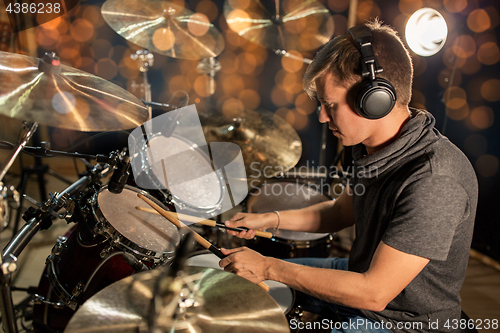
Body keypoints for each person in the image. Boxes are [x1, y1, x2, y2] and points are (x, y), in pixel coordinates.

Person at [219, 19, 478, 333]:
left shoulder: (435, 181)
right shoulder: (369, 145)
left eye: (330, 105)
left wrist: (268, 266)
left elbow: (374, 293)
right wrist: (269, 220)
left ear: (375, 100)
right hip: (360, 275)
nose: (321, 116)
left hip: (404, 320)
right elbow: (341, 211)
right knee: (234, 287)